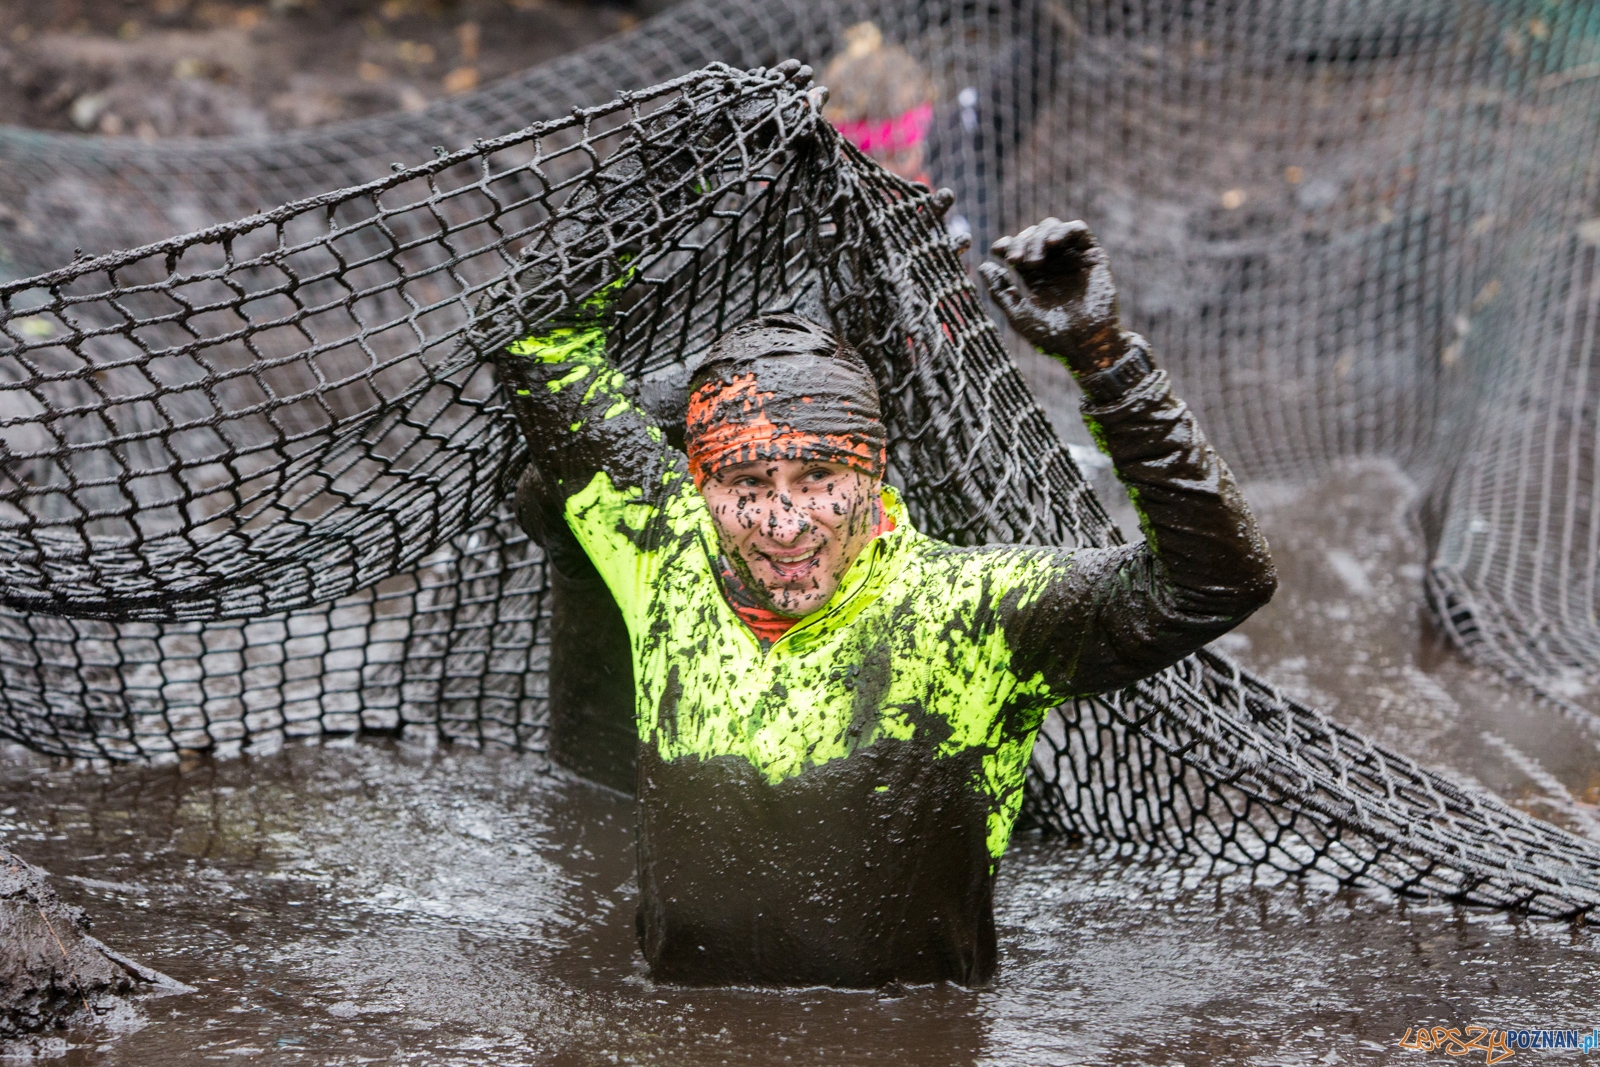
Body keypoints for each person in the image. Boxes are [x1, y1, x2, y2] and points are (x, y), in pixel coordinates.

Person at [484, 215, 1276, 988]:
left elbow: (1218, 580)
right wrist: (688, 177)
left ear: (874, 472)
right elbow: (539, 340)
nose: (785, 524)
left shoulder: (975, 610)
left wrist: (1107, 363)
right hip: (678, 1030)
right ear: (701, 485)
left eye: (819, 478)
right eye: (747, 484)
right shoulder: (659, 543)